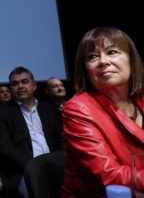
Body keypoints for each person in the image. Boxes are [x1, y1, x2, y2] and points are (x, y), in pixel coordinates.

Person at [61, 27, 144, 197]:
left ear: (131, 60)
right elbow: (110, 177)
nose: (103, 61)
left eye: (112, 52)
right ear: (86, 69)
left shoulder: (141, 100)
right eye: (93, 56)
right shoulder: (78, 108)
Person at [0, 66, 64, 198]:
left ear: (34, 86)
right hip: (22, 171)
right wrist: (35, 167)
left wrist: (58, 163)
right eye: (15, 83)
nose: (20, 86)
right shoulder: (2, 112)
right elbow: (5, 147)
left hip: (56, 166)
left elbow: (62, 140)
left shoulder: (50, 109)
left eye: (24, 82)